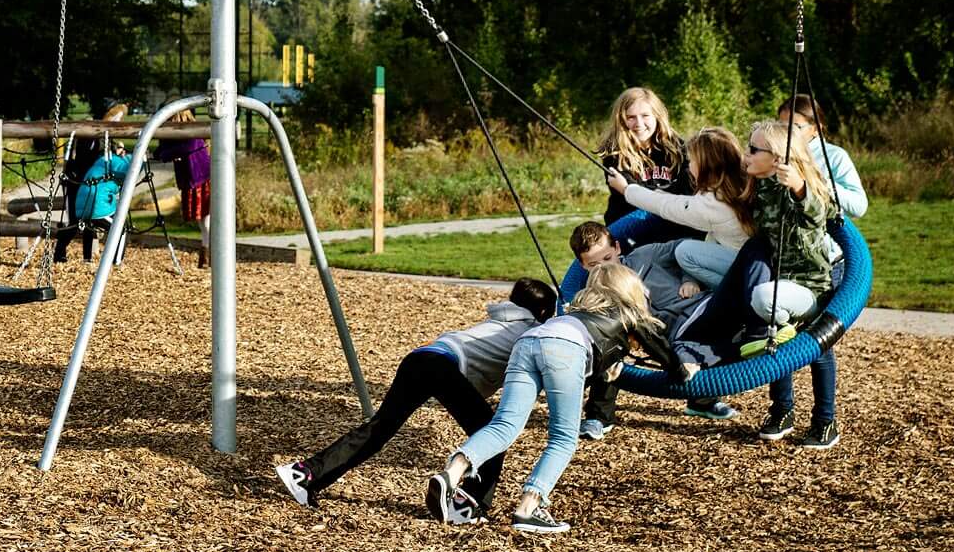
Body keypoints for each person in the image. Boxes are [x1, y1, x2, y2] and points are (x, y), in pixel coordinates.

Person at [433, 262, 691, 534]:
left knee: (505, 425)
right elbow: (660, 349)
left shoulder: (576, 310)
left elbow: (583, 367)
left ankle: (452, 473)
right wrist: (682, 373)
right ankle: (528, 508)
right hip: (565, 349)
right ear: (629, 290)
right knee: (563, 437)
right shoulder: (628, 313)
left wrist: (608, 367)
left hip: (529, 342)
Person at [277, 277, 559, 510]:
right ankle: (468, 505)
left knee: (378, 430)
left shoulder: (498, 320)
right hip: (442, 366)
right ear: (545, 313)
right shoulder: (530, 332)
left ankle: (305, 474)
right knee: (492, 433)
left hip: (421, 356)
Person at [671, 119, 838, 368]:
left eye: (753, 150)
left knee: (764, 299)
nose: (745, 154)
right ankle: (780, 406)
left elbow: (821, 213)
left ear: (777, 158)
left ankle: (779, 325)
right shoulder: (758, 186)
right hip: (776, 283)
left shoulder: (794, 190)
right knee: (753, 257)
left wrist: (799, 187)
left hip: (807, 289)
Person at [759, 96, 862, 449]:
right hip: (784, 261)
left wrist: (809, 182)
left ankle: (825, 420)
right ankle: (782, 409)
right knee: (779, 333)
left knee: (817, 343)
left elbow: (857, 204)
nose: (787, 133)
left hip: (825, 263)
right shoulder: (774, 156)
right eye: (782, 125)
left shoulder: (834, 158)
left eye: (796, 127)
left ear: (815, 129)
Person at [571, 219, 732, 434]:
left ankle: (702, 399)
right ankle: (598, 416)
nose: (605, 267)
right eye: (594, 265)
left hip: (695, 309)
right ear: (582, 265)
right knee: (606, 344)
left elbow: (687, 248)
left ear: (617, 248)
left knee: (721, 329)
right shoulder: (596, 291)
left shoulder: (644, 256)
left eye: (608, 258)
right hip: (657, 334)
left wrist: (689, 278)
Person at [607, 127, 757, 289]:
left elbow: (666, 206)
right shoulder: (739, 183)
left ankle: (732, 290)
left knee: (684, 252)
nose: (690, 165)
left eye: (692, 161)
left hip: (743, 261)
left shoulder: (713, 203)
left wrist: (626, 189)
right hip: (749, 256)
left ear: (706, 165)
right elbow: (680, 202)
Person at [596, 86, 689, 234]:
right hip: (632, 219)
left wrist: (629, 189)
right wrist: (667, 196)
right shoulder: (614, 152)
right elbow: (634, 198)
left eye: (645, 115)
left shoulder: (677, 146)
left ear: (657, 116)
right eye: (631, 117)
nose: (639, 123)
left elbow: (687, 188)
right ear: (621, 120)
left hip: (671, 216)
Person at [55, 100, 130, 264]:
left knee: (86, 220)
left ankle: (86, 257)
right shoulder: (92, 132)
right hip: (80, 180)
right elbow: (92, 158)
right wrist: (112, 152)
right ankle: (61, 252)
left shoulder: (105, 134)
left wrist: (117, 151)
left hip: (89, 181)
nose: (118, 120)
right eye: (116, 116)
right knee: (76, 220)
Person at [170, 109, 212, 268]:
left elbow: (184, 148)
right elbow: (165, 150)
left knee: (207, 221)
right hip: (193, 180)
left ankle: (208, 256)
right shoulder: (184, 136)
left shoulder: (192, 135)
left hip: (201, 179)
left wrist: (168, 153)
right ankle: (206, 255)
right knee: (204, 223)